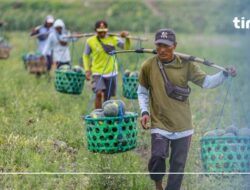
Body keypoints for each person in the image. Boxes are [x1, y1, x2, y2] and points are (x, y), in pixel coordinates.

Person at [137, 28, 236, 190]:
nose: (162, 49)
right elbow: (141, 91)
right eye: (159, 45)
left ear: (174, 46)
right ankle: (158, 184)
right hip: (159, 124)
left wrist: (224, 74)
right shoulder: (148, 66)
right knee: (157, 156)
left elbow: (207, 82)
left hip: (183, 126)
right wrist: (145, 112)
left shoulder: (187, 65)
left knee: (178, 166)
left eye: (166, 46)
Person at [83, 20, 131, 109]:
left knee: (107, 97)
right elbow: (85, 55)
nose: (102, 33)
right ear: (96, 31)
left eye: (104, 31)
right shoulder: (90, 41)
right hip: (97, 72)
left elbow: (126, 47)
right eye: (100, 31)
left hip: (111, 71)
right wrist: (87, 70)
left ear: (107, 30)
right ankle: (97, 114)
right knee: (98, 93)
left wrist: (127, 38)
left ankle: (105, 115)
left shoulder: (113, 39)